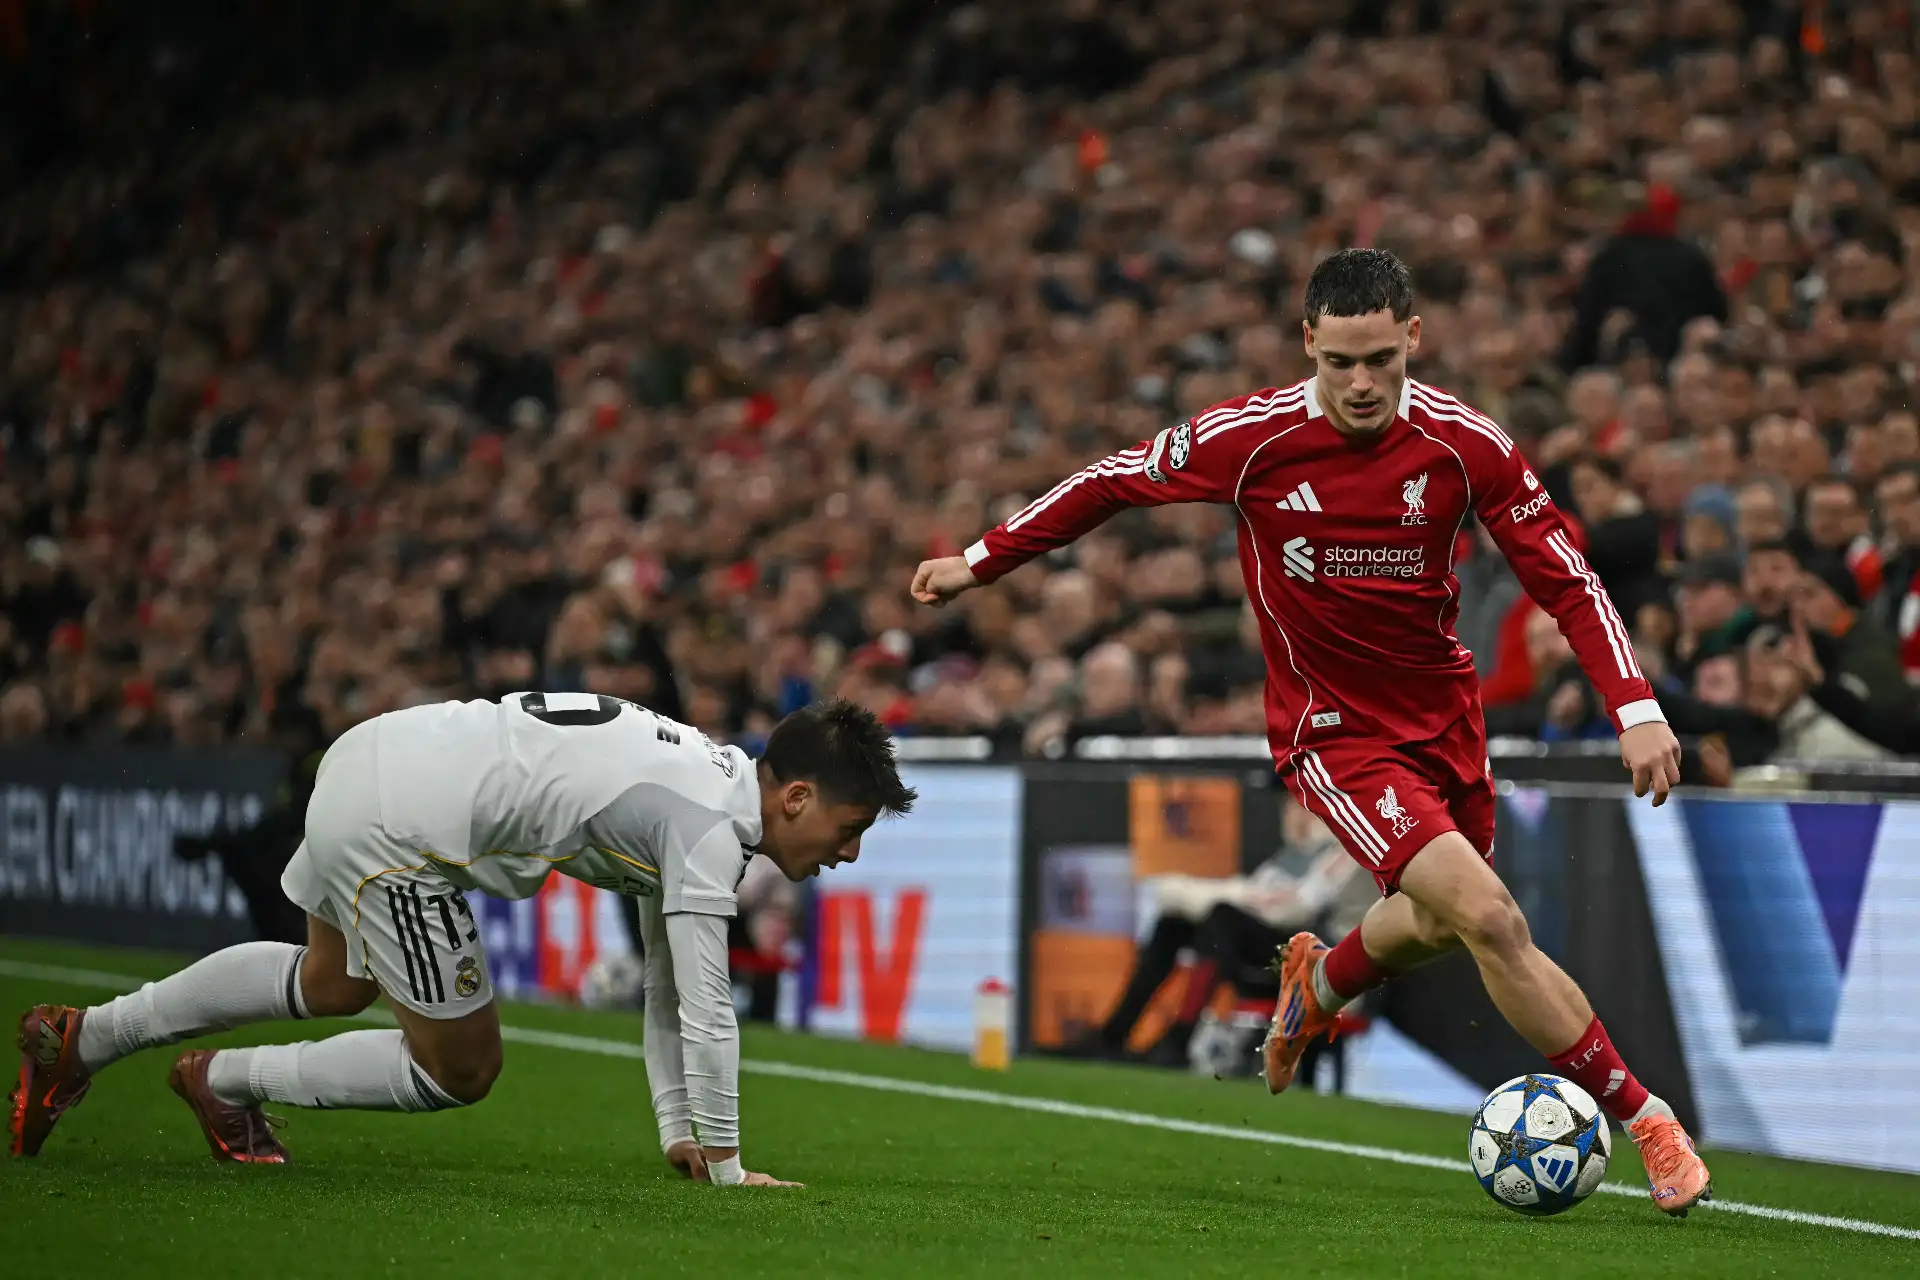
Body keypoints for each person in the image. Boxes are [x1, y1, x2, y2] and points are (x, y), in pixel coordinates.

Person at [910, 249, 1709, 1215]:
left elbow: (1567, 579)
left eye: (1381, 359)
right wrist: (981, 560)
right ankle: (1648, 1121)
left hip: (1444, 720)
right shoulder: (1251, 439)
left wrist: (1635, 706)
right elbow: (1111, 480)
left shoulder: (1467, 445)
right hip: (1333, 731)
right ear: (1307, 344)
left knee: (1437, 923)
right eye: (1340, 362)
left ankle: (1319, 983)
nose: (1361, 383)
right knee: (1492, 918)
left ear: (1414, 337)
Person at [10, 696, 914, 1188]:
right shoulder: (711, 830)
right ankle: (224, 1081)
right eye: (849, 829)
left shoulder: (704, 784)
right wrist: (729, 1168)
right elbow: (706, 1010)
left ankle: (88, 1037)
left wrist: (684, 1133)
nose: (848, 853)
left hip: (370, 753)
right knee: (463, 1067)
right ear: (796, 797)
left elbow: (665, 989)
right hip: (401, 829)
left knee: (331, 981)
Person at [1064, 798, 1368, 1066]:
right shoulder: (1297, 854)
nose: (1292, 810)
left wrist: (1190, 893)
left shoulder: (1352, 842)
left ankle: (1180, 1040)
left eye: (1298, 799)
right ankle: (1113, 1036)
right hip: (1290, 961)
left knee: (1223, 919)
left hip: (1326, 977)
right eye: (1287, 801)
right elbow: (1259, 893)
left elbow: (1294, 908)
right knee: (1175, 923)